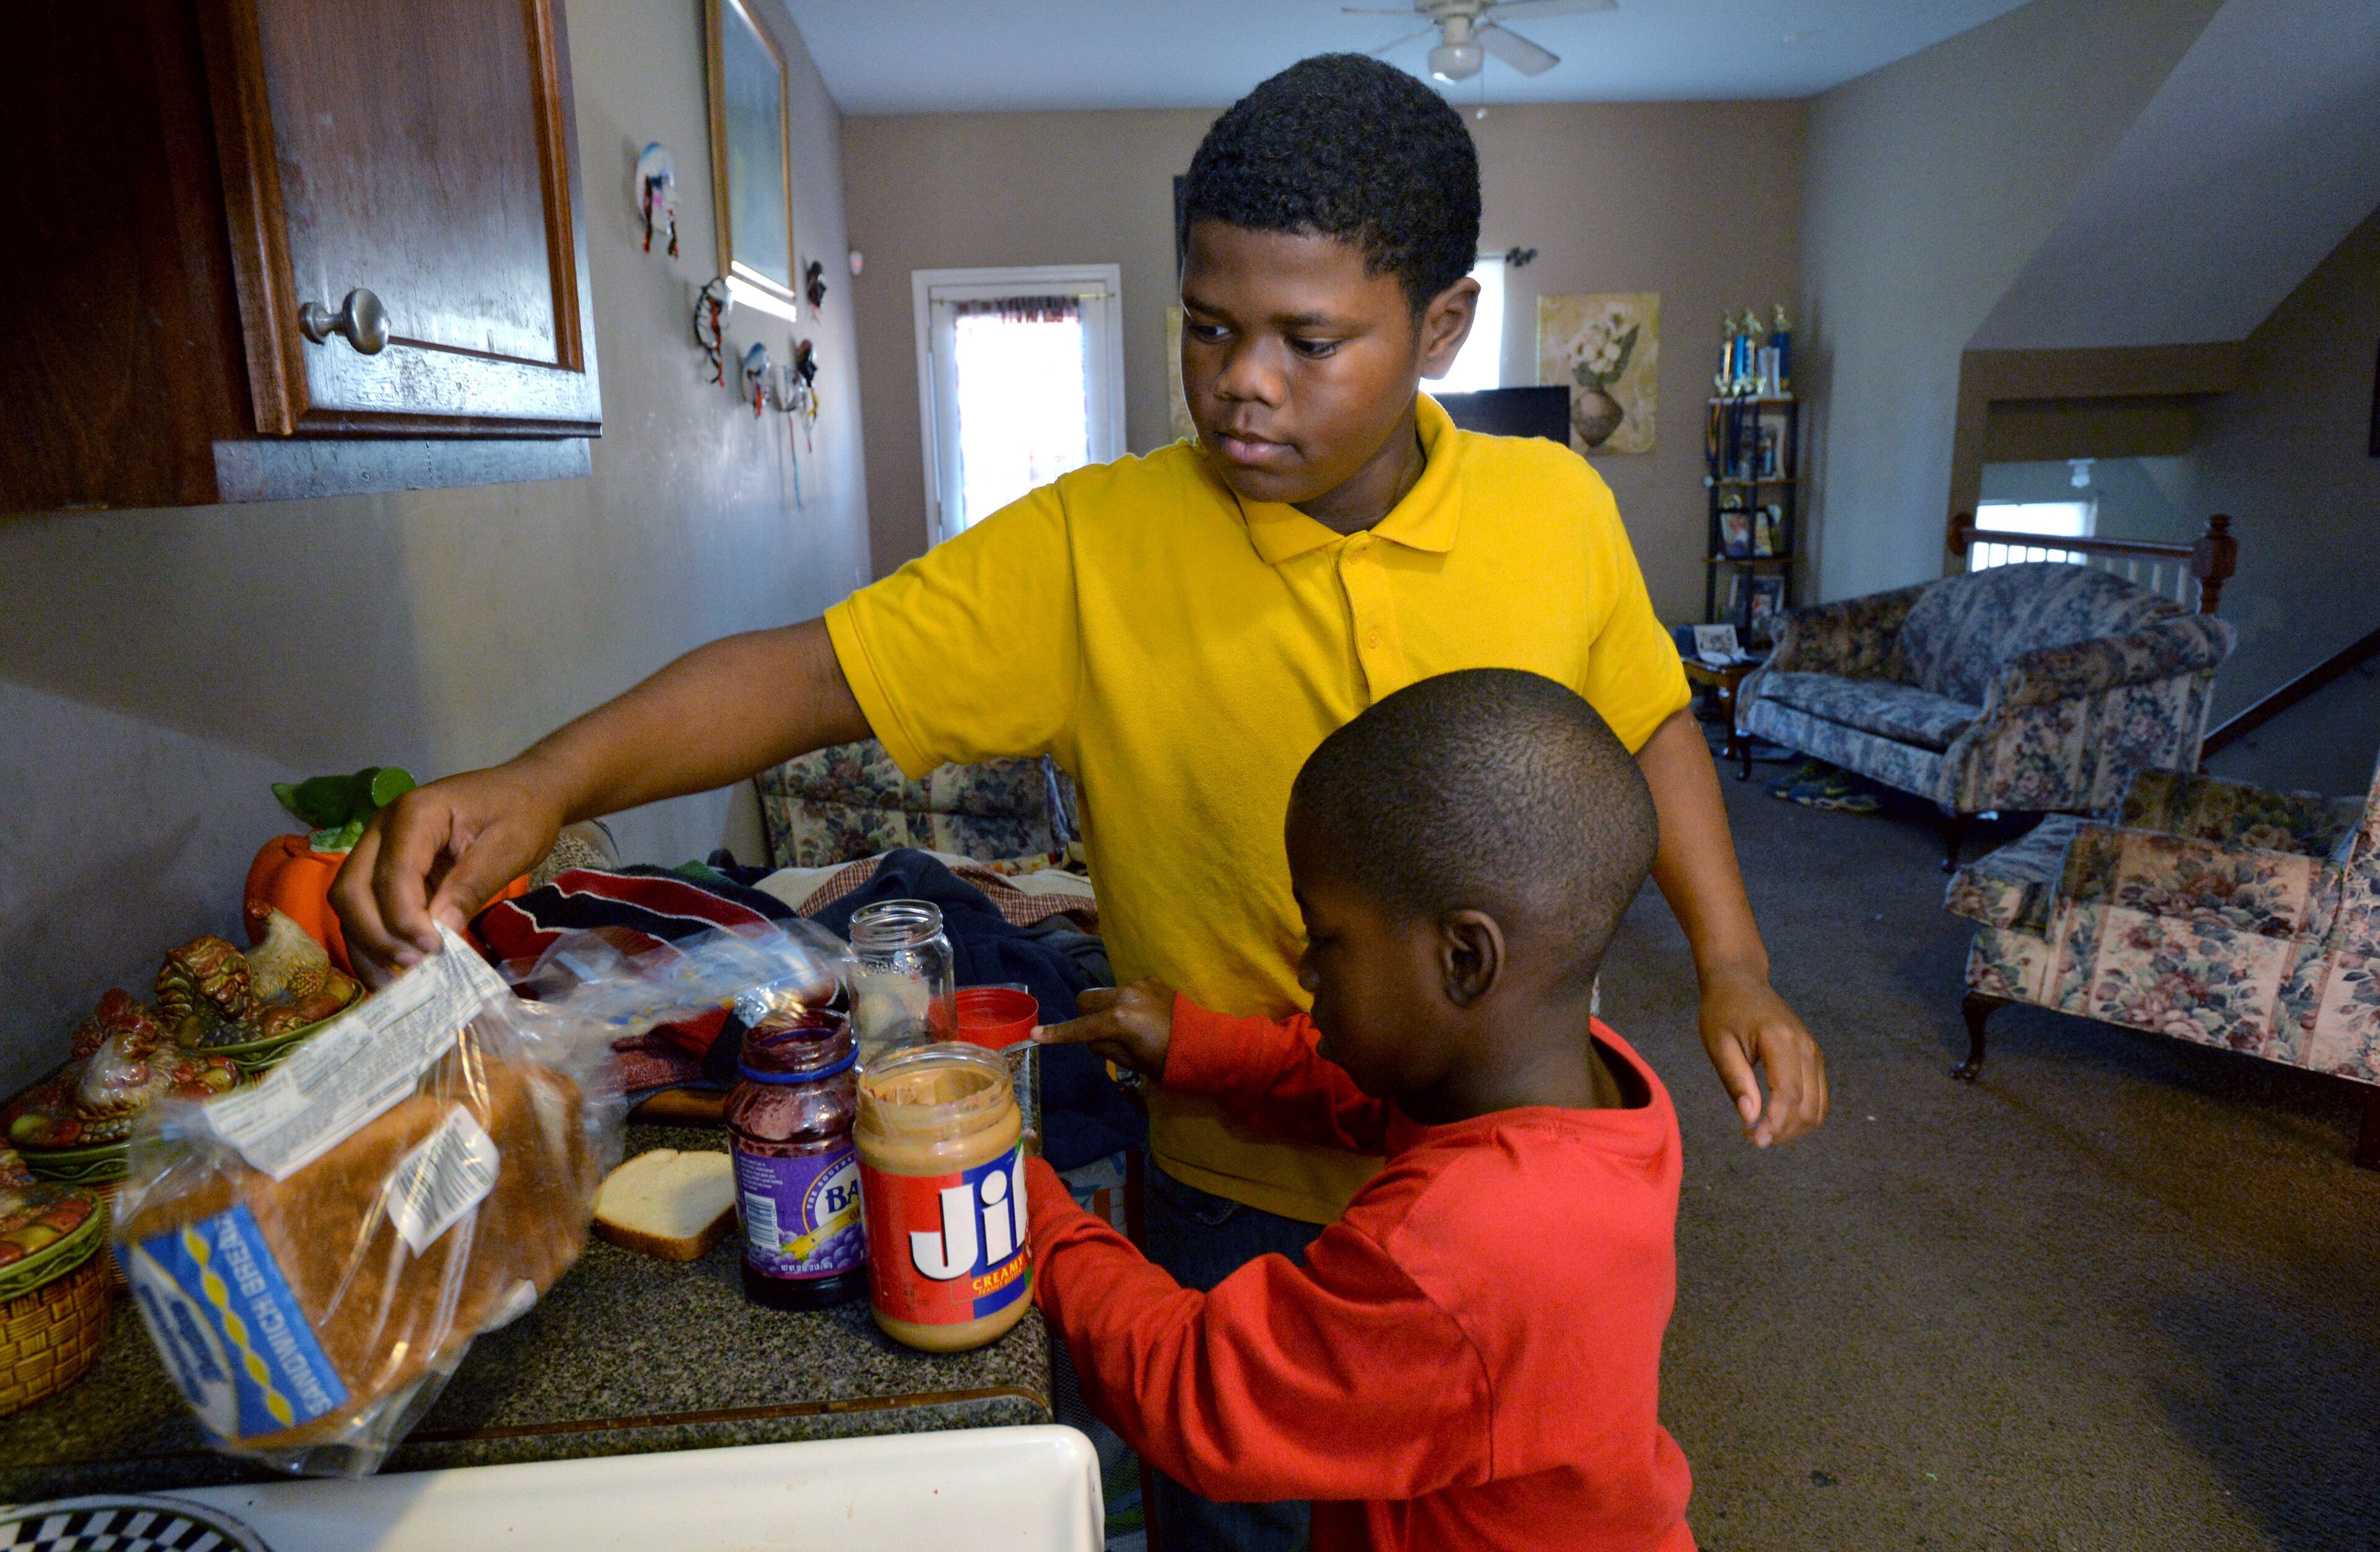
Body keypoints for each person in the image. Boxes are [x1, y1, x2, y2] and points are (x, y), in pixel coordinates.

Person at [334, 51, 1823, 1546]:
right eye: (1209, 324)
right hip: (1231, 1187)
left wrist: (1736, 963)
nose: (1241, 380)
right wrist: (546, 777)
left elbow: (1648, 728)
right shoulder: (1093, 544)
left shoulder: (1554, 511)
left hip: (1484, 1189)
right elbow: (806, 677)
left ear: (1442, 325)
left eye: (1309, 340)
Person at [1027, 669, 1695, 1552]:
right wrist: (1199, 1047)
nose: (1306, 970)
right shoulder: (1598, 1085)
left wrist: (1020, 1202)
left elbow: (1197, 1391)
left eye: (1327, 938)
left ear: (1464, 959)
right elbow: (1370, 1098)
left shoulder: (1459, 1248)